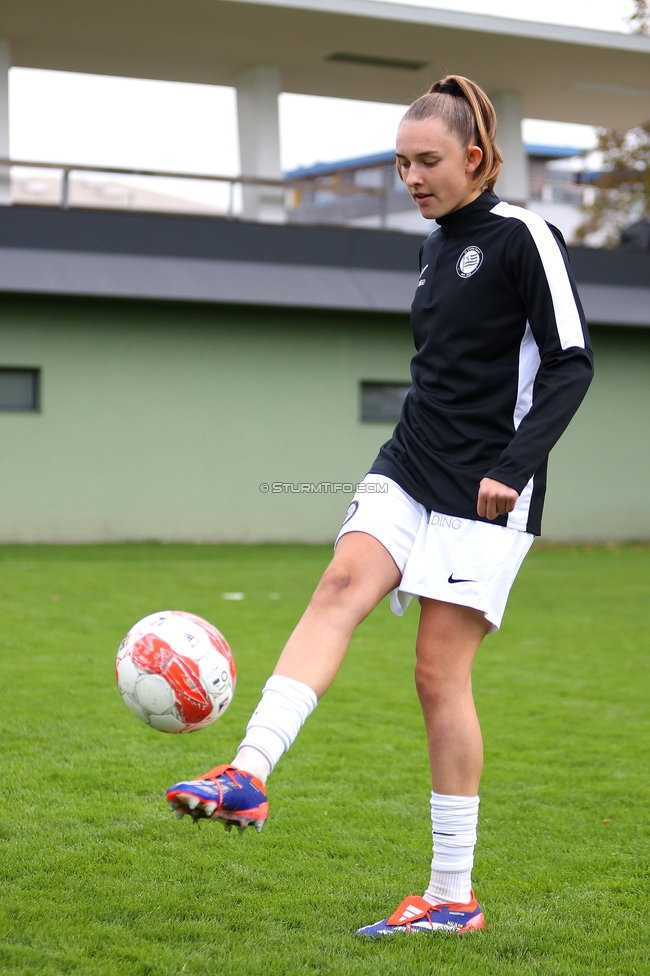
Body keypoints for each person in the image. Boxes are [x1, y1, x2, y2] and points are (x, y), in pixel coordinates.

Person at [166, 75, 594, 936]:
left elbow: (570, 362)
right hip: (409, 459)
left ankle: (450, 897)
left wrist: (515, 464)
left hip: (489, 486)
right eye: (401, 163)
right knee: (339, 586)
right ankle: (246, 774)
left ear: (474, 158)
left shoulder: (526, 238)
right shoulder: (434, 247)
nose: (411, 178)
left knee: (438, 676)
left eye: (426, 161)